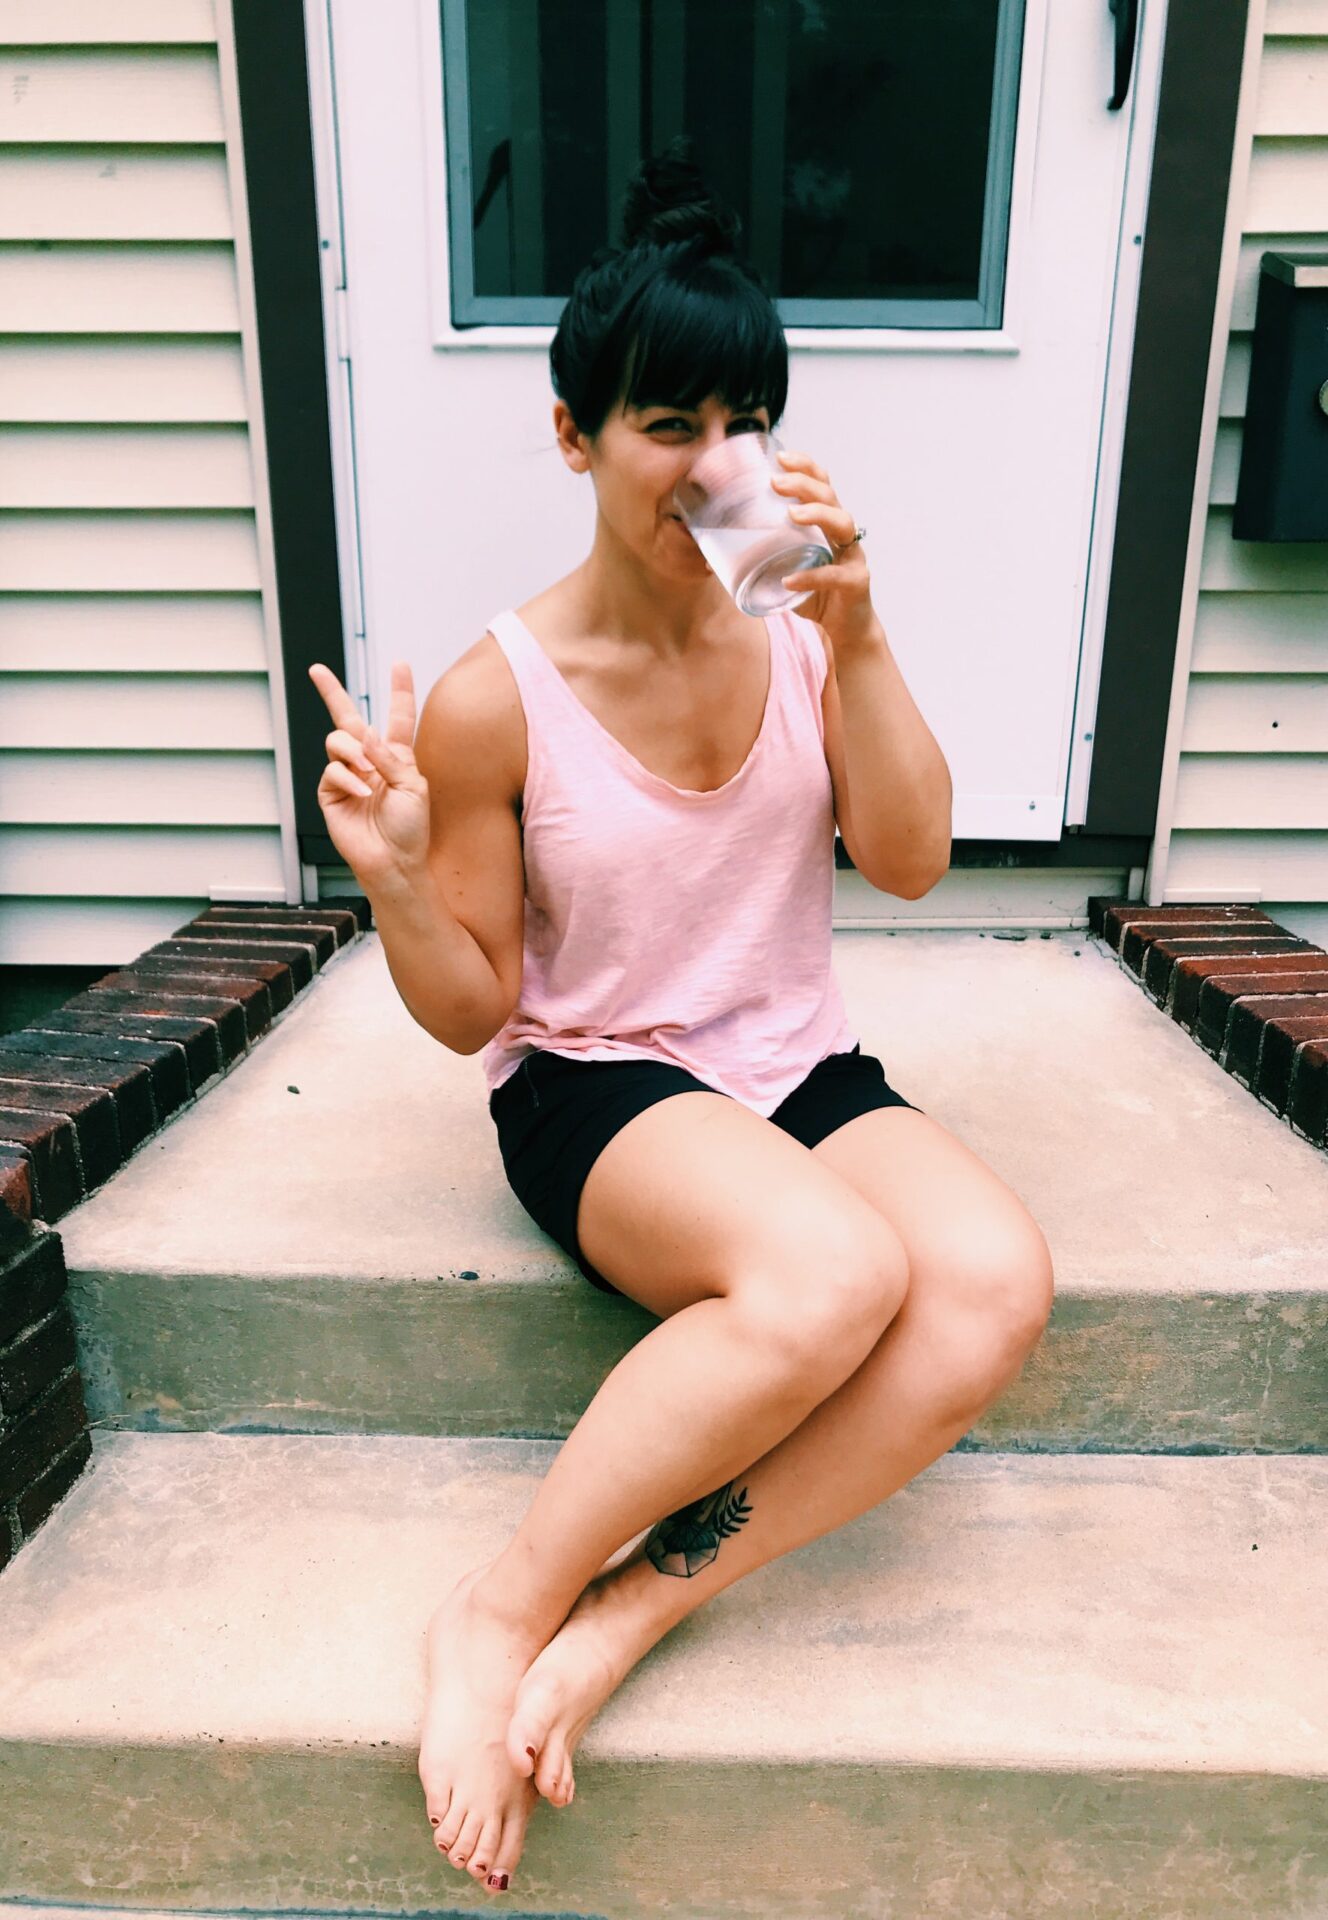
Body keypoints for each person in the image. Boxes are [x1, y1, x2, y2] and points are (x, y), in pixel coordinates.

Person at [308, 138, 1054, 1900]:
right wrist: (404, 879)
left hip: (790, 1057)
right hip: (600, 1082)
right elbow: (472, 1005)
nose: (710, 465)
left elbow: (915, 860)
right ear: (574, 436)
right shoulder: (501, 697)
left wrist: (861, 637)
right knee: (834, 1277)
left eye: (740, 422)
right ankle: (496, 1614)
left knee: (995, 1285)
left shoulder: (797, 623)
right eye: (665, 425)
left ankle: (636, 1608)